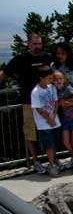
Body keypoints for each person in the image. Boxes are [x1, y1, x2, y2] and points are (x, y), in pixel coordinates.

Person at [0, 33, 53, 173]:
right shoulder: (20, 59)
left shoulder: (47, 57)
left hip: (46, 101)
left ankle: (52, 160)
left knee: (49, 130)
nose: (38, 47)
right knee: (30, 132)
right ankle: (35, 161)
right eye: (35, 44)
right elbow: (4, 73)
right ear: (28, 44)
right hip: (28, 101)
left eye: (40, 44)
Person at [30, 66, 61, 177]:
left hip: (53, 120)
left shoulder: (51, 87)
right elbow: (38, 109)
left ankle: (55, 161)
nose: (50, 80)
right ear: (41, 78)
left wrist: (53, 116)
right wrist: (49, 119)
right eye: (48, 78)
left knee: (54, 143)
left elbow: (56, 102)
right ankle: (51, 164)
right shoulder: (35, 92)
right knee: (48, 145)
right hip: (44, 124)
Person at [54, 70, 73, 174]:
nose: (58, 81)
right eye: (56, 79)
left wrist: (71, 103)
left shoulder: (68, 88)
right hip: (65, 119)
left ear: (64, 79)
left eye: (60, 78)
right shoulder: (54, 91)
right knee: (65, 141)